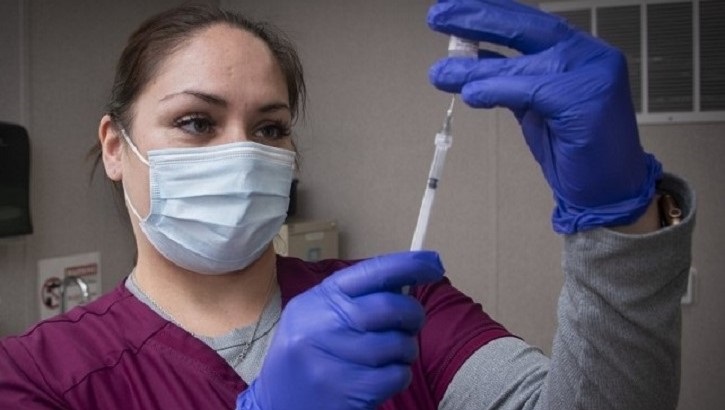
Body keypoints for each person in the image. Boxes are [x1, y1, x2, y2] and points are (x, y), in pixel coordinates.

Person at [0, 1, 694, 409]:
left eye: (269, 128)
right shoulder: (37, 376)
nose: (241, 154)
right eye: (195, 122)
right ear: (115, 148)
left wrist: (616, 221)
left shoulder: (398, 310)